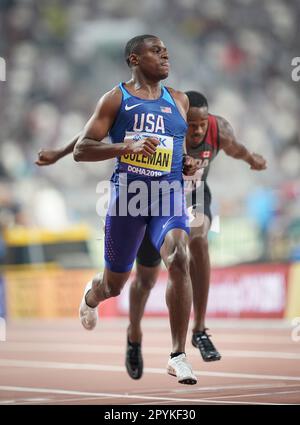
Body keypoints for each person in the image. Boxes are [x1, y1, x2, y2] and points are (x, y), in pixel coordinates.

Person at [36, 90, 267, 380]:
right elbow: (91, 134)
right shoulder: (156, 113)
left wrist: (251, 159)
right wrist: (59, 153)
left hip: (186, 198)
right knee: (139, 280)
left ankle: (191, 339)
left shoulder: (216, 128)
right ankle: (133, 334)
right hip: (143, 196)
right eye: (190, 125)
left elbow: (237, 148)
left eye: (201, 125)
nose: (196, 131)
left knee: (191, 243)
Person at [37, 34, 198, 385]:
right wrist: (127, 146)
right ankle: (91, 296)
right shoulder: (116, 99)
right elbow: (83, 148)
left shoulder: (180, 101)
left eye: (166, 51)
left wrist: (185, 163)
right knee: (114, 286)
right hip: (128, 199)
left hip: (167, 196)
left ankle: (177, 355)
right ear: (134, 60)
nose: (165, 55)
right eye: (156, 51)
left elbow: (176, 146)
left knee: (181, 256)